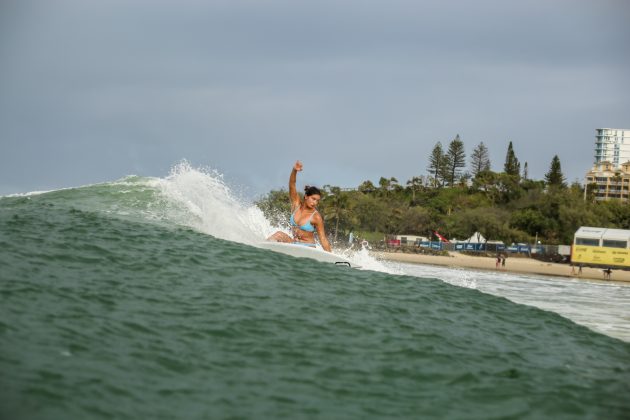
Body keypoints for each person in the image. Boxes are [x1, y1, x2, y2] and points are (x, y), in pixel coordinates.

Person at [267, 161, 332, 252]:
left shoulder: (316, 216)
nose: (315, 202)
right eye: (313, 199)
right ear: (306, 196)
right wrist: (294, 170)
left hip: (308, 247)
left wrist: (331, 258)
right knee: (278, 234)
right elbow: (292, 185)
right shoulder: (296, 205)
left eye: (317, 200)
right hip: (294, 243)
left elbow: (323, 239)